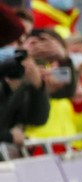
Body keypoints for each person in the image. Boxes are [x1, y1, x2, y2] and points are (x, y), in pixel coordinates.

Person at [1, 6, 50, 158]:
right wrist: (7, 136)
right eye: (15, 39)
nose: (21, 45)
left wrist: (38, 86)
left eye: (25, 38)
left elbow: (37, 118)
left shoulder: (18, 74)